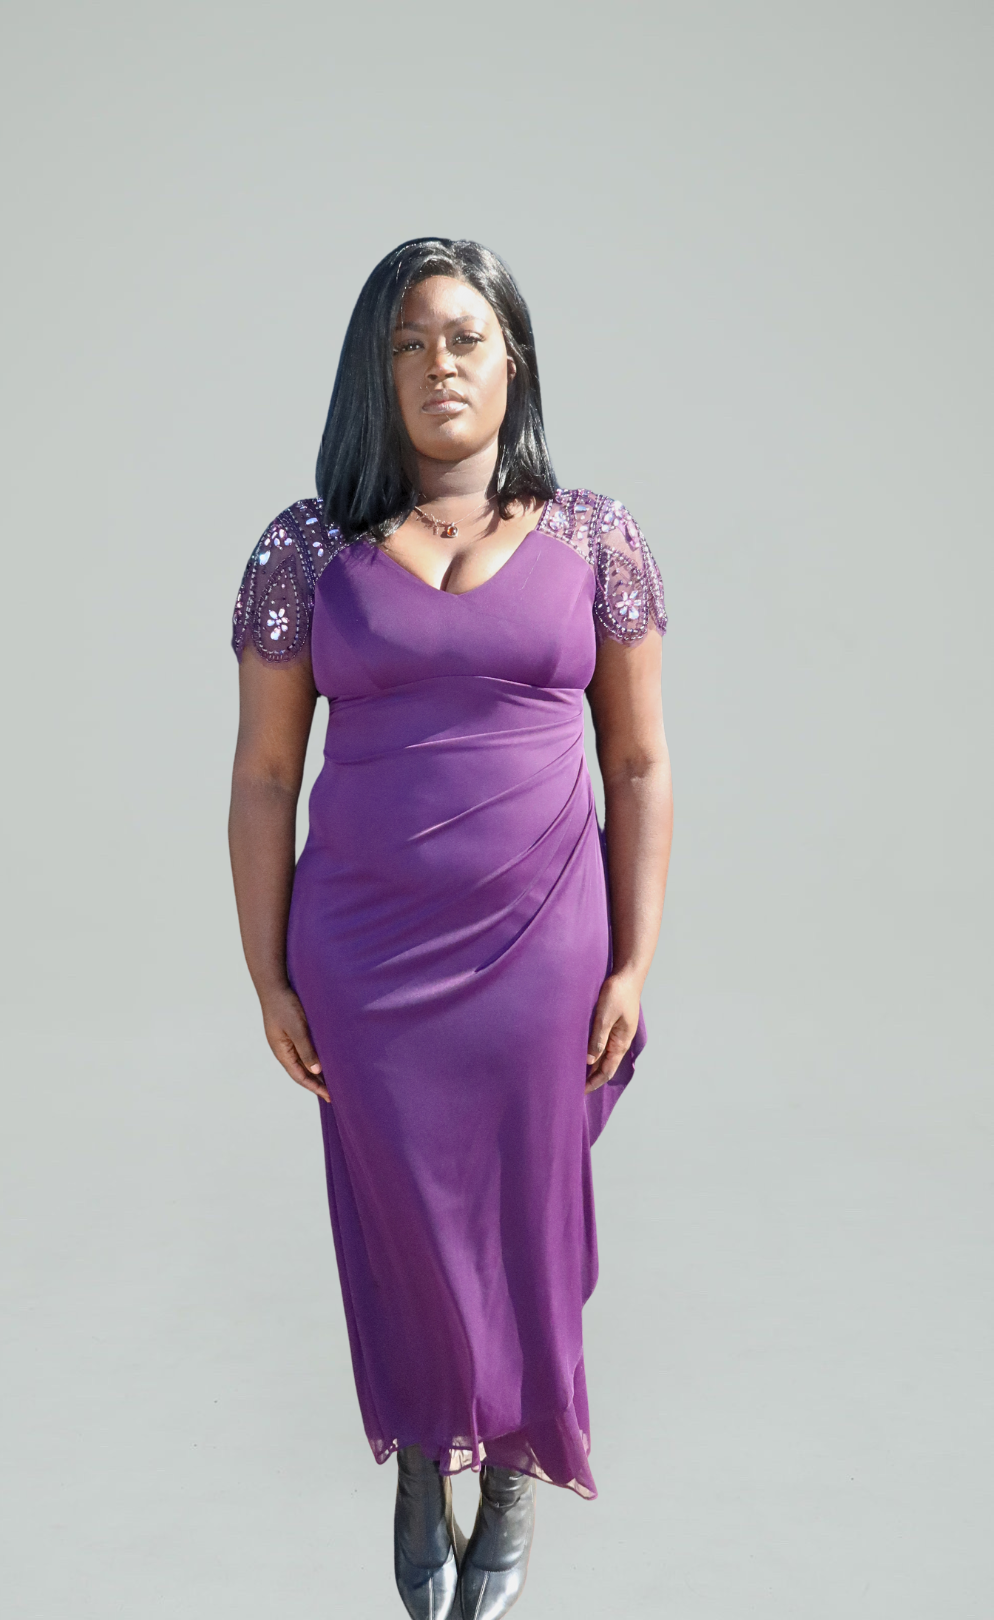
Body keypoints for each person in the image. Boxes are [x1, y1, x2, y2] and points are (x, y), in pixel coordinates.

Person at [228, 237, 672, 1620]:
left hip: (544, 936)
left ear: (512, 359)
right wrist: (267, 976)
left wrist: (636, 960)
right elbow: (263, 777)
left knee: (532, 1211)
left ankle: (518, 1462)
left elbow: (639, 762)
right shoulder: (306, 549)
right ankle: (426, 1452)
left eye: (466, 337)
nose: (440, 365)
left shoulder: (595, 538)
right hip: (363, 952)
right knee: (402, 1213)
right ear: (377, 371)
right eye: (411, 343)